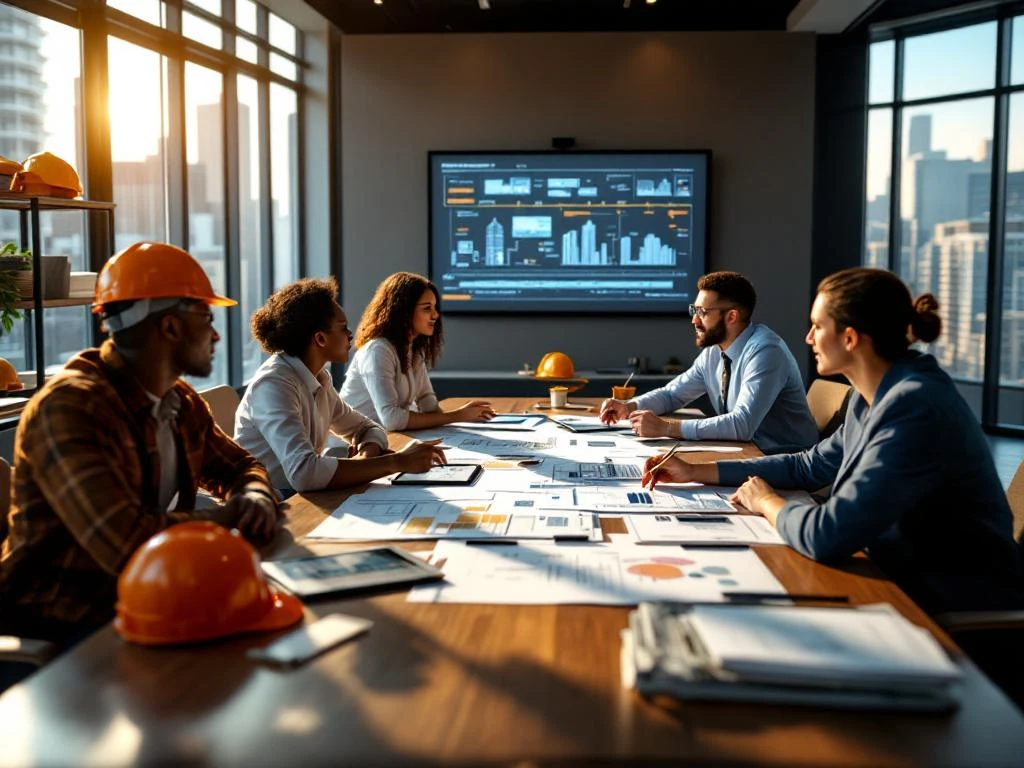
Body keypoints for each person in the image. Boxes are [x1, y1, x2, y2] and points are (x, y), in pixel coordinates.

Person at [642, 267, 1024, 616]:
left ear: (850, 338)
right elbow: (808, 465)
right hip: (891, 573)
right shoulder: (869, 395)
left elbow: (828, 533)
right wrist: (696, 470)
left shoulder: (914, 407)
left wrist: (767, 502)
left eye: (816, 326)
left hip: (950, 606)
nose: (808, 338)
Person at [0, 241, 280, 647]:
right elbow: (126, 544)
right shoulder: (70, 407)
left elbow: (240, 466)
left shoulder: (178, 400)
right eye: (206, 316)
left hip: (143, 602)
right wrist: (231, 518)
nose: (216, 334)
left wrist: (254, 495)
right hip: (57, 629)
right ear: (170, 327)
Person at [235, 277, 447, 494]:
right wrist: (397, 462)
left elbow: (368, 429)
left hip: (305, 496)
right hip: (273, 502)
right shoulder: (274, 385)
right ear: (320, 339)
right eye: (343, 328)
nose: (350, 334)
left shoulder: (319, 378)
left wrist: (365, 456)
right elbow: (304, 474)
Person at [600, 271, 817, 454]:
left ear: (731, 317)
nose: (694, 320)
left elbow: (741, 425)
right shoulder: (714, 352)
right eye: (694, 310)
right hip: (747, 454)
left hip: (785, 461)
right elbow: (672, 395)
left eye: (702, 312)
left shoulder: (767, 351)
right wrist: (628, 407)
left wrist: (666, 427)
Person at [341, 272, 495, 430]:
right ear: (403, 310)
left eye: (435, 307)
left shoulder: (413, 350)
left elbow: (428, 405)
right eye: (427, 308)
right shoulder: (378, 351)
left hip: (383, 439)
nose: (435, 315)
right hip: (351, 447)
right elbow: (392, 419)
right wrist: (457, 416)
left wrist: (465, 416)